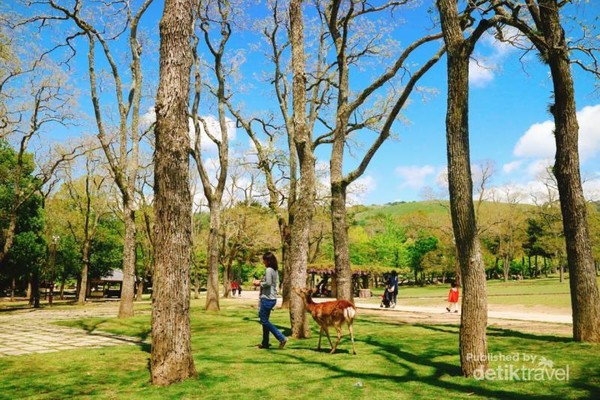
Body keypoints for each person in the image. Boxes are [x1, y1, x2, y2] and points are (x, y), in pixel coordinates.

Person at [253, 252, 287, 349]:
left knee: (264, 321)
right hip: (271, 298)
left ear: (268, 260)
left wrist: (258, 283)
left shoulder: (269, 270)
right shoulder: (274, 270)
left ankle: (281, 338)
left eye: (264, 260)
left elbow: (267, 283)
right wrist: (261, 281)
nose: (263, 262)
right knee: (265, 321)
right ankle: (265, 343)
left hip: (267, 299)